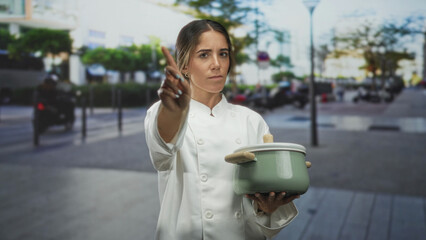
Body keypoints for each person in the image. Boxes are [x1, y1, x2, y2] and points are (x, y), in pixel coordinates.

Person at [144, 19, 300, 240]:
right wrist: (173, 111)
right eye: (204, 55)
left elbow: (264, 191)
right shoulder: (164, 114)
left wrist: (268, 206)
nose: (216, 64)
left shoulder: (251, 121)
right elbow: (162, 152)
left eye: (223, 54)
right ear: (185, 65)